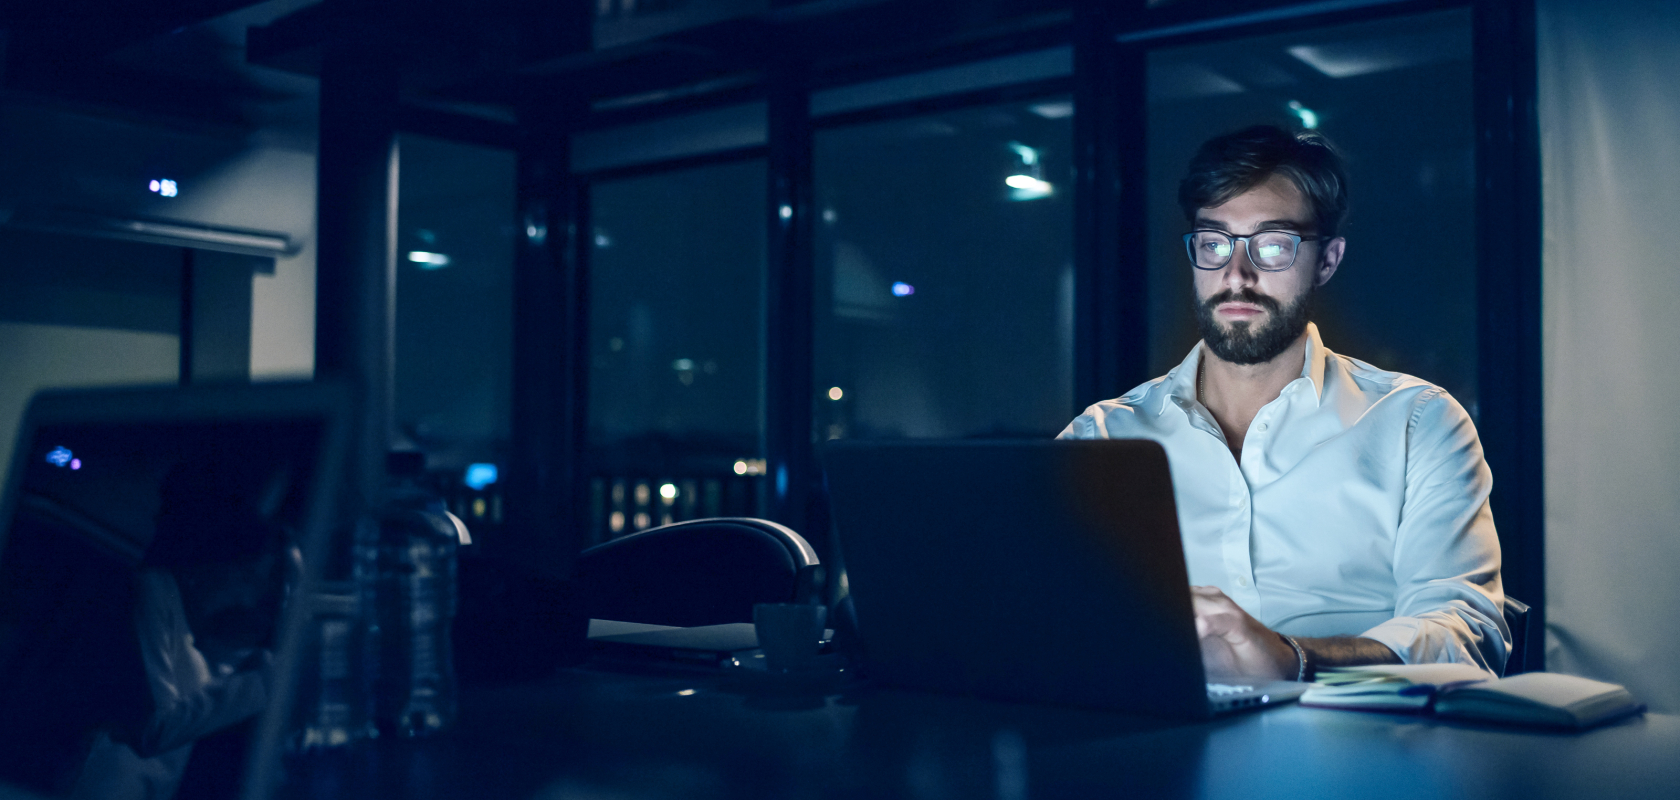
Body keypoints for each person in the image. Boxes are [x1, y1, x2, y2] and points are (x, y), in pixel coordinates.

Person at [1059, 125, 1507, 681]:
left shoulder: (1419, 424)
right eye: (1215, 243)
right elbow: (1042, 616)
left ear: (1327, 260)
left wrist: (1292, 659)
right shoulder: (1100, 439)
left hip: (1359, 728)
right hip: (1162, 727)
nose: (1236, 275)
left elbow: (1466, 634)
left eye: (1272, 245)